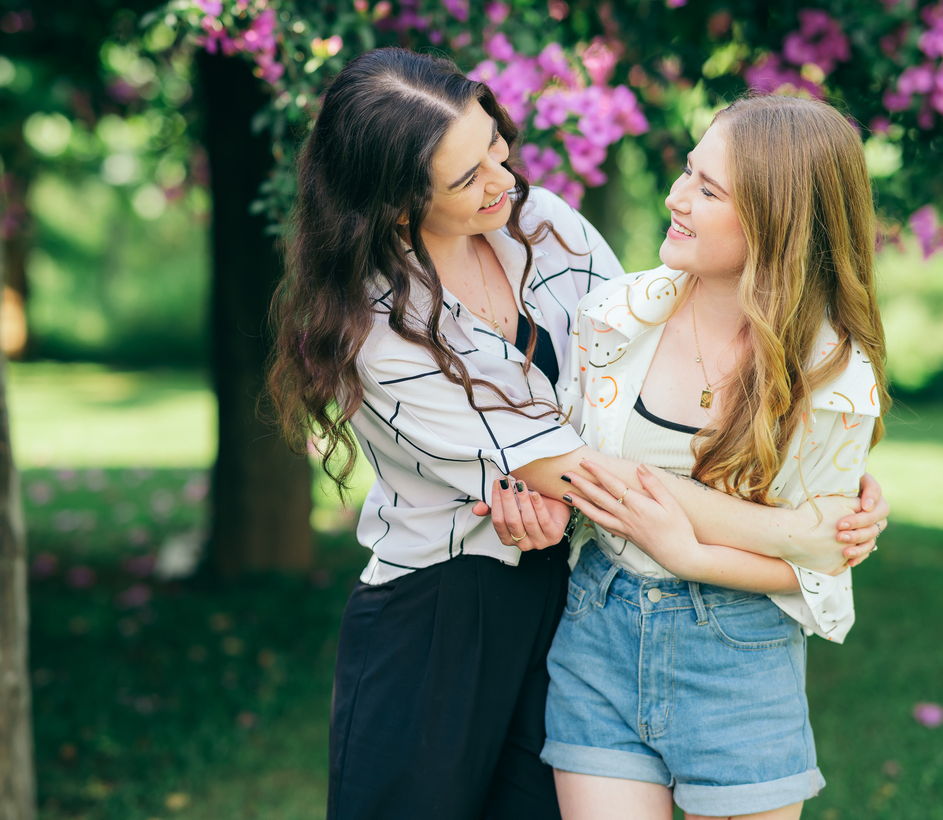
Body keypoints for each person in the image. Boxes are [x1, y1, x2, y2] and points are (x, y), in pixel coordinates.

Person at [268, 49, 889, 820]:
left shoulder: (540, 224)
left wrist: (830, 493)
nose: (502, 181)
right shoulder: (379, 327)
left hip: (575, 591)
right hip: (444, 607)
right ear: (398, 205)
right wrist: (805, 530)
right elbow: (586, 474)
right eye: (466, 179)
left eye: (496, 146)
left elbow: (623, 370)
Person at [490, 94, 887, 820]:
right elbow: (568, 465)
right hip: (599, 637)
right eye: (687, 171)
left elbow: (821, 567)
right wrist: (539, 499)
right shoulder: (613, 318)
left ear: (778, 218)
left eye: (708, 190)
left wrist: (690, 550)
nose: (676, 198)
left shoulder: (832, 377)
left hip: (739, 658)